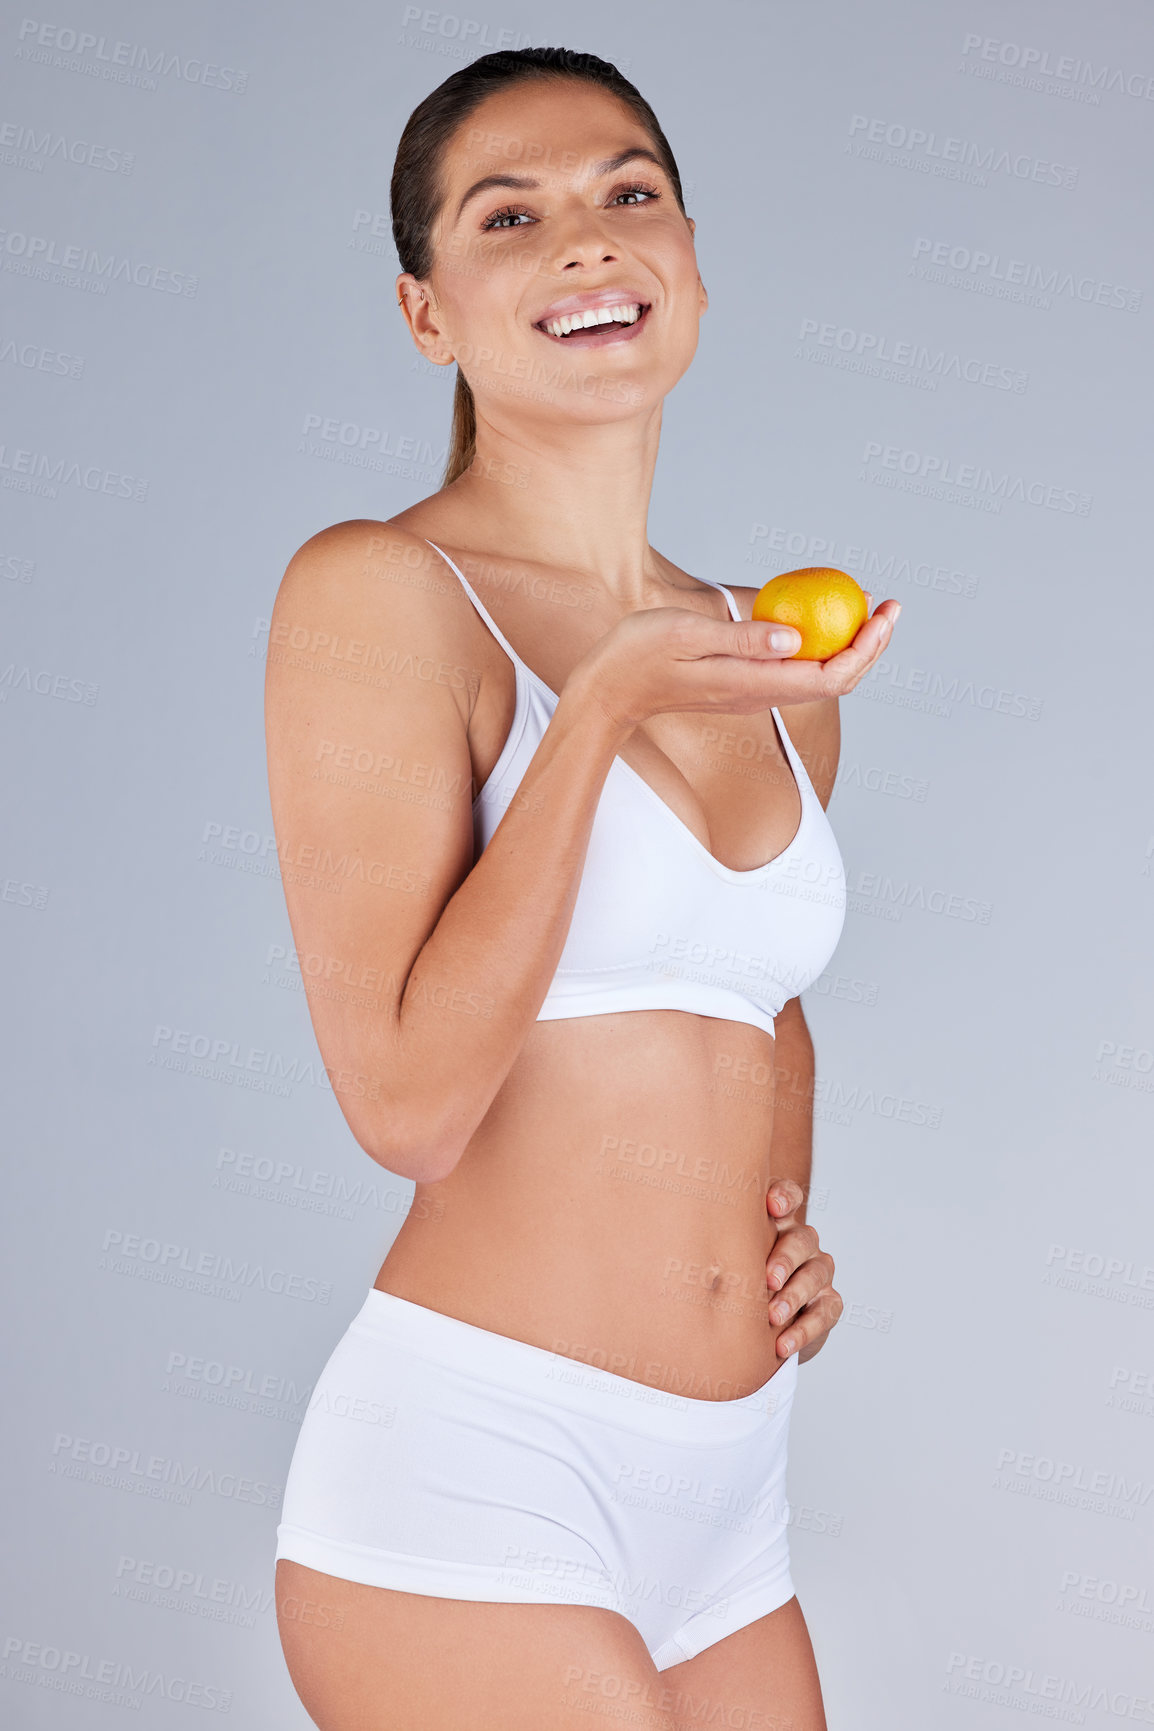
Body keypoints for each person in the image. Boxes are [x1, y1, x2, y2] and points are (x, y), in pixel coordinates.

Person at [266, 46, 900, 1731]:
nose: (585, 240)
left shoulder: (758, 646)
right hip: (477, 1474)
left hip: (729, 1494)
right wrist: (601, 704)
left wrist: (779, 1236)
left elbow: (758, 1000)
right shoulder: (380, 592)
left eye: (629, 193)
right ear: (427, 316)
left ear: (690, 259)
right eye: (509, 215)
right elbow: (402, 1104)